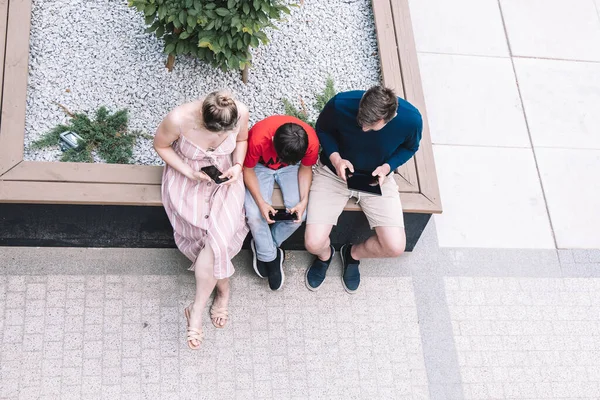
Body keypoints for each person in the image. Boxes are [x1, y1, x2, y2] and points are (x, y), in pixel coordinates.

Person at [304, 86, 422, 293]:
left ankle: (352, 254)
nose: (364, 129)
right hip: (334, 174)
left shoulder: (411, 120)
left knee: (395, 247)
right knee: (313, 243)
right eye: (361, 122)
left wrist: (387, 168)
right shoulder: (340, 104)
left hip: (378, 179)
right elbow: (323, 129)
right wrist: (336, 159)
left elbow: (410, 147)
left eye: (371, 126)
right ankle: (325, 255)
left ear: (390, 117)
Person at [154, 91, 249, 349]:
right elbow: (160, 146)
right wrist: (188, 172)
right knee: (205, 238)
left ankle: (196, 310)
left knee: (217, 241)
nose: (220, 139)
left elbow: (242, 140)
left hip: (225, 183)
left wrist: (237, 166)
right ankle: (223, 289)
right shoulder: (177, 119)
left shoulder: (240, 112)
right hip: (189, 179)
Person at [243, 115, 319, 290]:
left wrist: (304, 201)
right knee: (254, 214)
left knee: (299, 215)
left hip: (291, 170)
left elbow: (305, 168)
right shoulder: (258, 139)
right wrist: (261, 202)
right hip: (260, 167)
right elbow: (247, 170)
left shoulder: (310, 142)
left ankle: (266, 246)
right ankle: (270, 257)